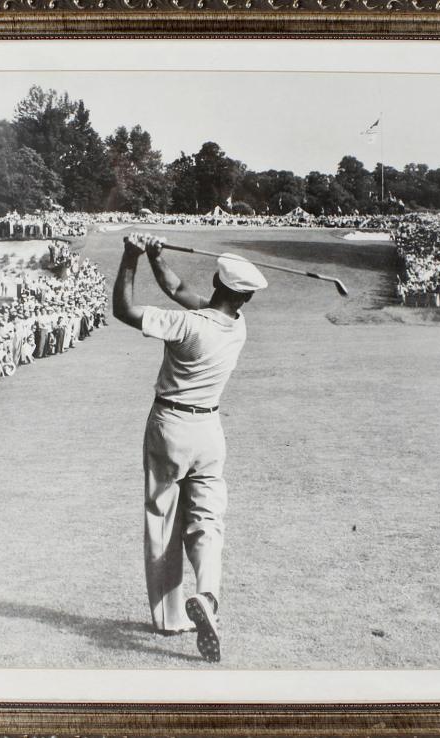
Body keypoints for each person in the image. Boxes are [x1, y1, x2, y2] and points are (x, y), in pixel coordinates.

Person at [112, 232, 267, 664]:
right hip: (210, 430)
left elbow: (124, 310)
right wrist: (158, 258)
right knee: (207, 521)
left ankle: (171, 617)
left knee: (162, 517)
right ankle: (209, 596)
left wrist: (131, 257)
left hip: (170, 425)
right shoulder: (237, 327)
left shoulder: (186, 325)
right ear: (245, 298)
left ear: (217, 283)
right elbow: (178, 289)